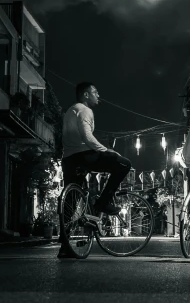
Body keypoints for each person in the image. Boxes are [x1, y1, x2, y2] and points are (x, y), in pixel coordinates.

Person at [58, 82, 132, 258]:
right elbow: (87, 136)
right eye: (95, 92)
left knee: (71, 200)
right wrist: (106, 150)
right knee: (124, 164)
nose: (98, 96)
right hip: (85, 156)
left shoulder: (70, 111)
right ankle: (103, 203)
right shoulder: (85, 110)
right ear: (85, 95)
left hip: (69, 159)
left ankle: (65, 246)